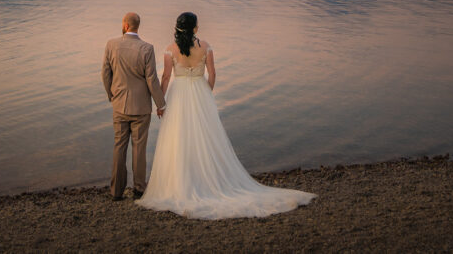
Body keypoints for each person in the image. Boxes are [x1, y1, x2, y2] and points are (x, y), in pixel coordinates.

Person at [136, 12, 315, 219]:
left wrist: (161, 103)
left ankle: (180, 181)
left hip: (179, 95)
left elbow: (166, 77)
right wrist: (207, 93)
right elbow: (212, 73)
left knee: (179, 136)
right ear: (195, 28)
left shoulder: (170, 49)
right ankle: (208, 177)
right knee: (207, 137)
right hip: (200, 92)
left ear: (177, 27)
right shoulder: (205, 46)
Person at [101, 12, 167, 201]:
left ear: (125, 25)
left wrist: (111, 95)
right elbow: (152, 79)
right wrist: (160, 104)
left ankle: (116, 192)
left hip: (119, 105)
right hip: (141, 107)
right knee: (139, 148)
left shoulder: (111, 45)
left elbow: (105, 74)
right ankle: (139, 189)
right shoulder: (147, 48)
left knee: (119, 146)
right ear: (138, 26)